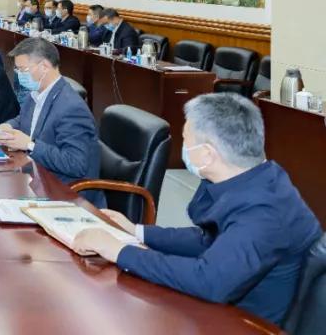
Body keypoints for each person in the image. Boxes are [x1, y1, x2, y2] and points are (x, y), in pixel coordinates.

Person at [72, 93, 321, 326]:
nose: (184, 148)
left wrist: (119, 251)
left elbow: (209, 281)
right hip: (224, 308)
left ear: (207, 155)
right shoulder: (255, 178)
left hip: (243, 324)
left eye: (186, 140)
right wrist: (137, 231)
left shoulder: (264, 211)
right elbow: (208, 240)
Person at [0, 38, 103, 206]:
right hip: (38, 178)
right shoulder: (36, 94)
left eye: (23, 69)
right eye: (17, 70)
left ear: (44, 66)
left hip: (65, 193)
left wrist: (30, 145)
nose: (19, 75)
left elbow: (76, 163)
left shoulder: (71, 108)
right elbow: (23, 119)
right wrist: (8, 126)